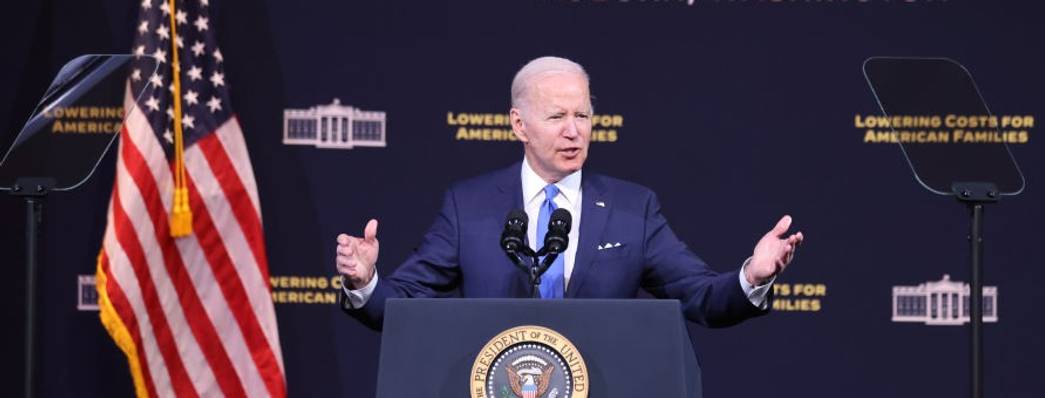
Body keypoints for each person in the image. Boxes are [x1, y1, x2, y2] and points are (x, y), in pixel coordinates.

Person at [335, 56, 804, 330]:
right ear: (519, 124)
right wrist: (364, 282)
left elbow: (700, 295)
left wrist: (752, 276)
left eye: (582, 116)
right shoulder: (469, 205)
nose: (573, 131)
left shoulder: (632, 208)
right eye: (557, 117)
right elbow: (402, 308)